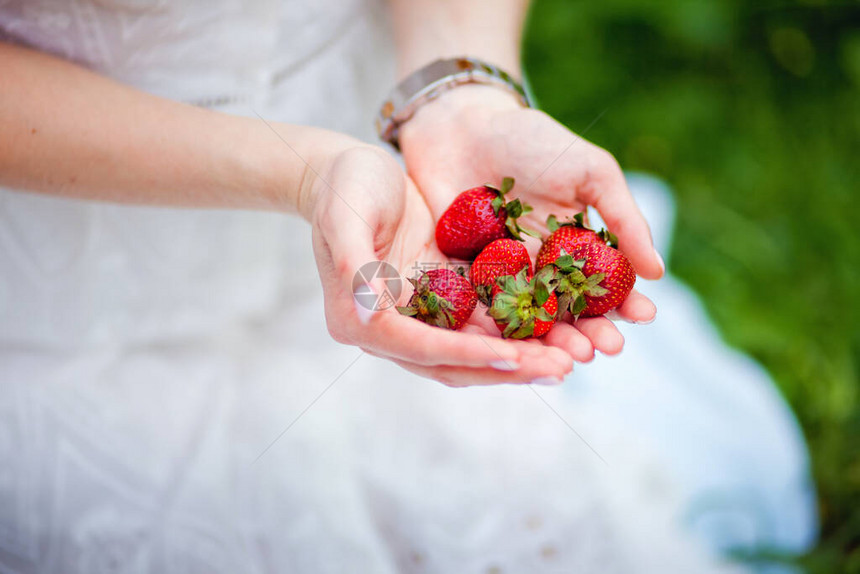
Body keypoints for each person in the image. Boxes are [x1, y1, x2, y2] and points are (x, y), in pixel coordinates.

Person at [0, 1, 814, 572]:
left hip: (392, 204)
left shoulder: (450, 234)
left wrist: (462, 88)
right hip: (55, 298)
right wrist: (311, 172)